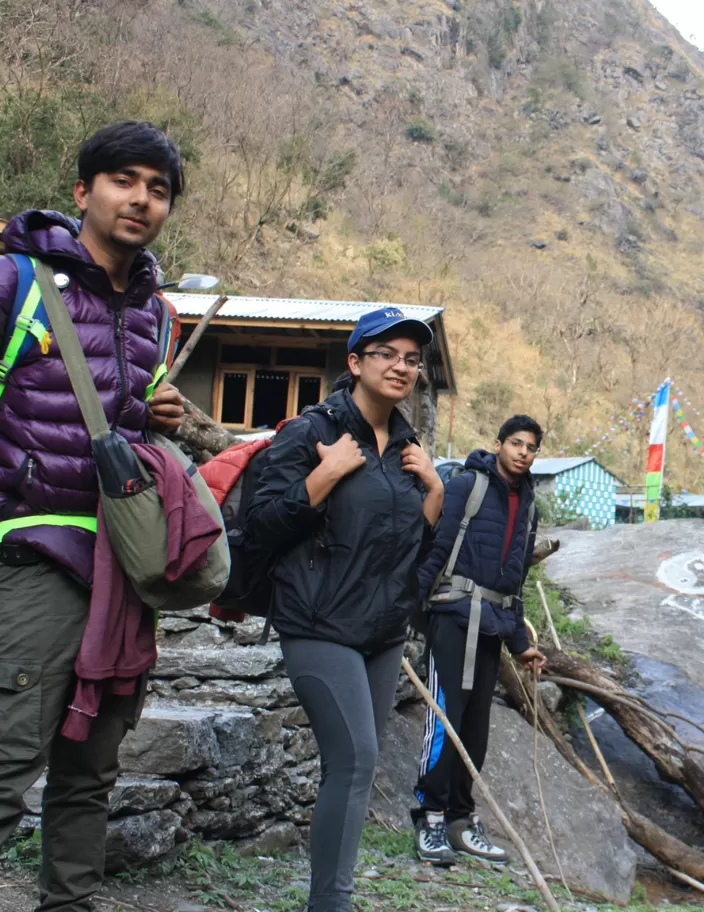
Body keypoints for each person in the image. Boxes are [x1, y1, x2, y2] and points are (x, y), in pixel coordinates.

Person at [0, 120, 187, 912]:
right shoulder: (10, 282)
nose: (140, 199)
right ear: (83, 192)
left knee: (88, 779)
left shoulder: (156, 316)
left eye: (158, 189)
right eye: (124, 180)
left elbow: (121, 436)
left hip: (122, 574)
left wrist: (160, 417)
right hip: (26, 559)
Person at [244, 307, 443, 911]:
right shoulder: (311, 434)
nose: (402, 367)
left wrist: (433, 492)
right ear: (355, 362)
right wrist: (322, 478)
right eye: (387, 354)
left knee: (358, 763)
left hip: (382, 632)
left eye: (412, 359)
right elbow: (257, 525)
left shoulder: (410, 449)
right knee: (354, 760)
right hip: (319, 623)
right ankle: (330, 904)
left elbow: (408, 545)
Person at [412, 415, 547, 865]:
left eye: (531, 447)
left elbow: (515, 581)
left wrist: (519, 642)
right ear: (499, 443)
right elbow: (435, 548)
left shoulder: (528, 505)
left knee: (475, 729)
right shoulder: (467, 486)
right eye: (516, 443)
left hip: (491, 627)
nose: (523, 452)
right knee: (444, 718)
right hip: (452, 618)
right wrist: (406, 609)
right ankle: (429, 819)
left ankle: (460, 819)